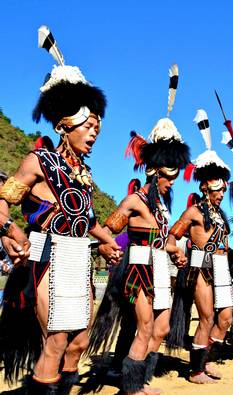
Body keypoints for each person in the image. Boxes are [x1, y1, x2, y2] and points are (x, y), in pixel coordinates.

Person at [0, 25, 121, 394]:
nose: (94, 132)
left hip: (78, 259)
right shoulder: (38, 162)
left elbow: (88, 221)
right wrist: (7, 232)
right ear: (65, 125)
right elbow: (3, 199)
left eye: (97, 127)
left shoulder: (81, 176)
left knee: (80, 343)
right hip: (46, 259)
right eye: (88, 126)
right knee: (54, 342)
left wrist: (106, 241)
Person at [91, 64, 190, 395]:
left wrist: (175, 252)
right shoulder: (134, 200)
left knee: (160, 328)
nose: (170, 183)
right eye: (167, 176)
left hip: (159, 267)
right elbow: (108, 227)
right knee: (145, 326)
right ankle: (131, 388)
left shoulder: (162, 206)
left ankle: (139, 378)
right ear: (153, 171)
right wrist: (108, 245)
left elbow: (164, 241)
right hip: (138, 270)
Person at [167, 110, 233, 383]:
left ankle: (209, 360)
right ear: (207, 185)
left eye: (223, 188)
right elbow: (172, 237)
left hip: (220, 267)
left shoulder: (221, 216)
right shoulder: (194, 212)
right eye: (218, 188)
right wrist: (178, 253)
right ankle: (195, 370)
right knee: (206, 318)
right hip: (199, 267)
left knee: (225, 317)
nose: (222, 192)